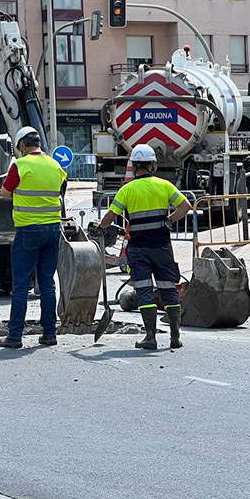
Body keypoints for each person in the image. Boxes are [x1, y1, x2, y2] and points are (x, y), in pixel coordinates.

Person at [97, 144, 192, 350]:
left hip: (139, 249)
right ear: (152, 165)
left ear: (134, 166)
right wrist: (169, 220)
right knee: (168, 289)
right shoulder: (164, 185)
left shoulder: (127, 189)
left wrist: (100, 227)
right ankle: (175, 337)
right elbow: (186, 206)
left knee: (144, 290)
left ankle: (150, 337)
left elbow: (110, 217)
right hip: (162, 247)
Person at [0, 126, 67, 349]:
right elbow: (61, 189)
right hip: (52, 229)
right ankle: (49, 333)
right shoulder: (55, 165)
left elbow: (5, 193)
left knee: (21, 284)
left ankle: (15, 336)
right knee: (47, 282)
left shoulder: (20, 165)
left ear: (23, 145)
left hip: (28, 231)